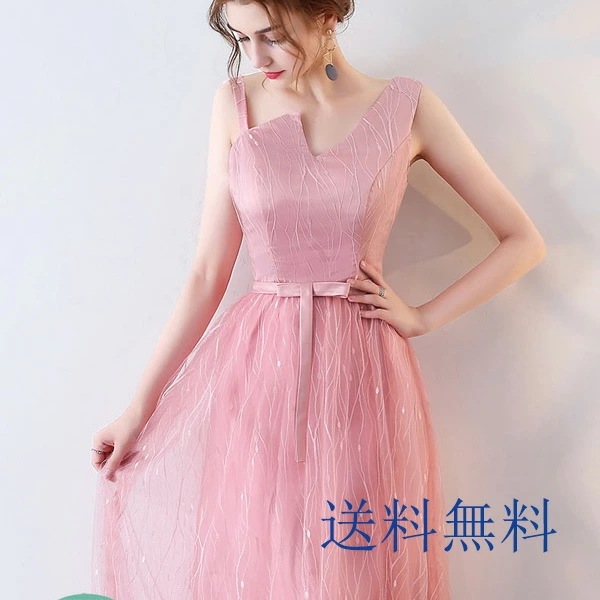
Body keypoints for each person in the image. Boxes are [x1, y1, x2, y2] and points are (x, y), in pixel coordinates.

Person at [90, 1, 546, 598]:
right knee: (265, 557)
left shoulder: (407, 107)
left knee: (352, 558)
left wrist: (423, 317)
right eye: (241, 39)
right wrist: (138, 408)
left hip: (364, 371)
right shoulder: (234, 105)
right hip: (259, 371)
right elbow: (207, 273)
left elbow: (523, 241)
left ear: (327, 16)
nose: (257, 56)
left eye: (273, 35)